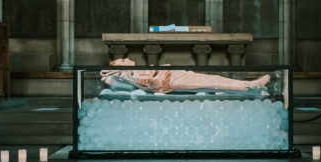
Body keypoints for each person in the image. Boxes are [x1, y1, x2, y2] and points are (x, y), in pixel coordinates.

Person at [101, 58, 270, 94]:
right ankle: (251, 85)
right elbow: (149, 82)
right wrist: (153, 79)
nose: (127, 58)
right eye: (122, 60)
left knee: (214, 80)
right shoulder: (133, 73)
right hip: (171, 79)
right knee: (214, 82)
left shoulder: (135, 71)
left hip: (173, 74)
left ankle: (249, 84)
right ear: (120, 66)